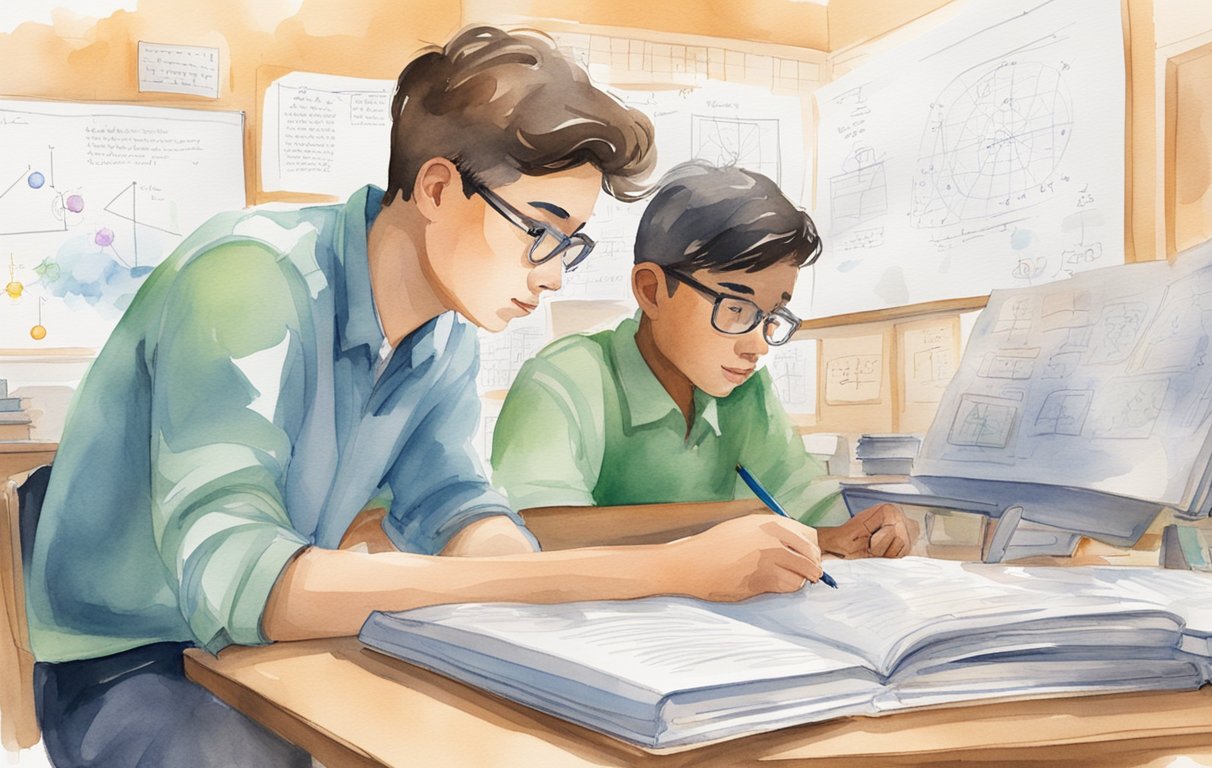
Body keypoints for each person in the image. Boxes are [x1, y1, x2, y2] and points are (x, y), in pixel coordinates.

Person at [24, 28, 824, 768]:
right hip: (131, 659)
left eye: (571, 246)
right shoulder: (250, 280)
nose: (551, 275)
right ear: (439, 189)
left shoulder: (445, 331)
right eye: (540, 231)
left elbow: (454, 507)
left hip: (264, 646)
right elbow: (248, 582)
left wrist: (554, 611)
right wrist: (653, 571)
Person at [491, 161, 912, 561]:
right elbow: (536, 530)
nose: (758, 347)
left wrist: (860, 530)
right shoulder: (564, 376)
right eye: (735, 308)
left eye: (771, 317)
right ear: (652, 290)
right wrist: (736, 519)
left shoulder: (746, 392)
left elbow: (804, 505)